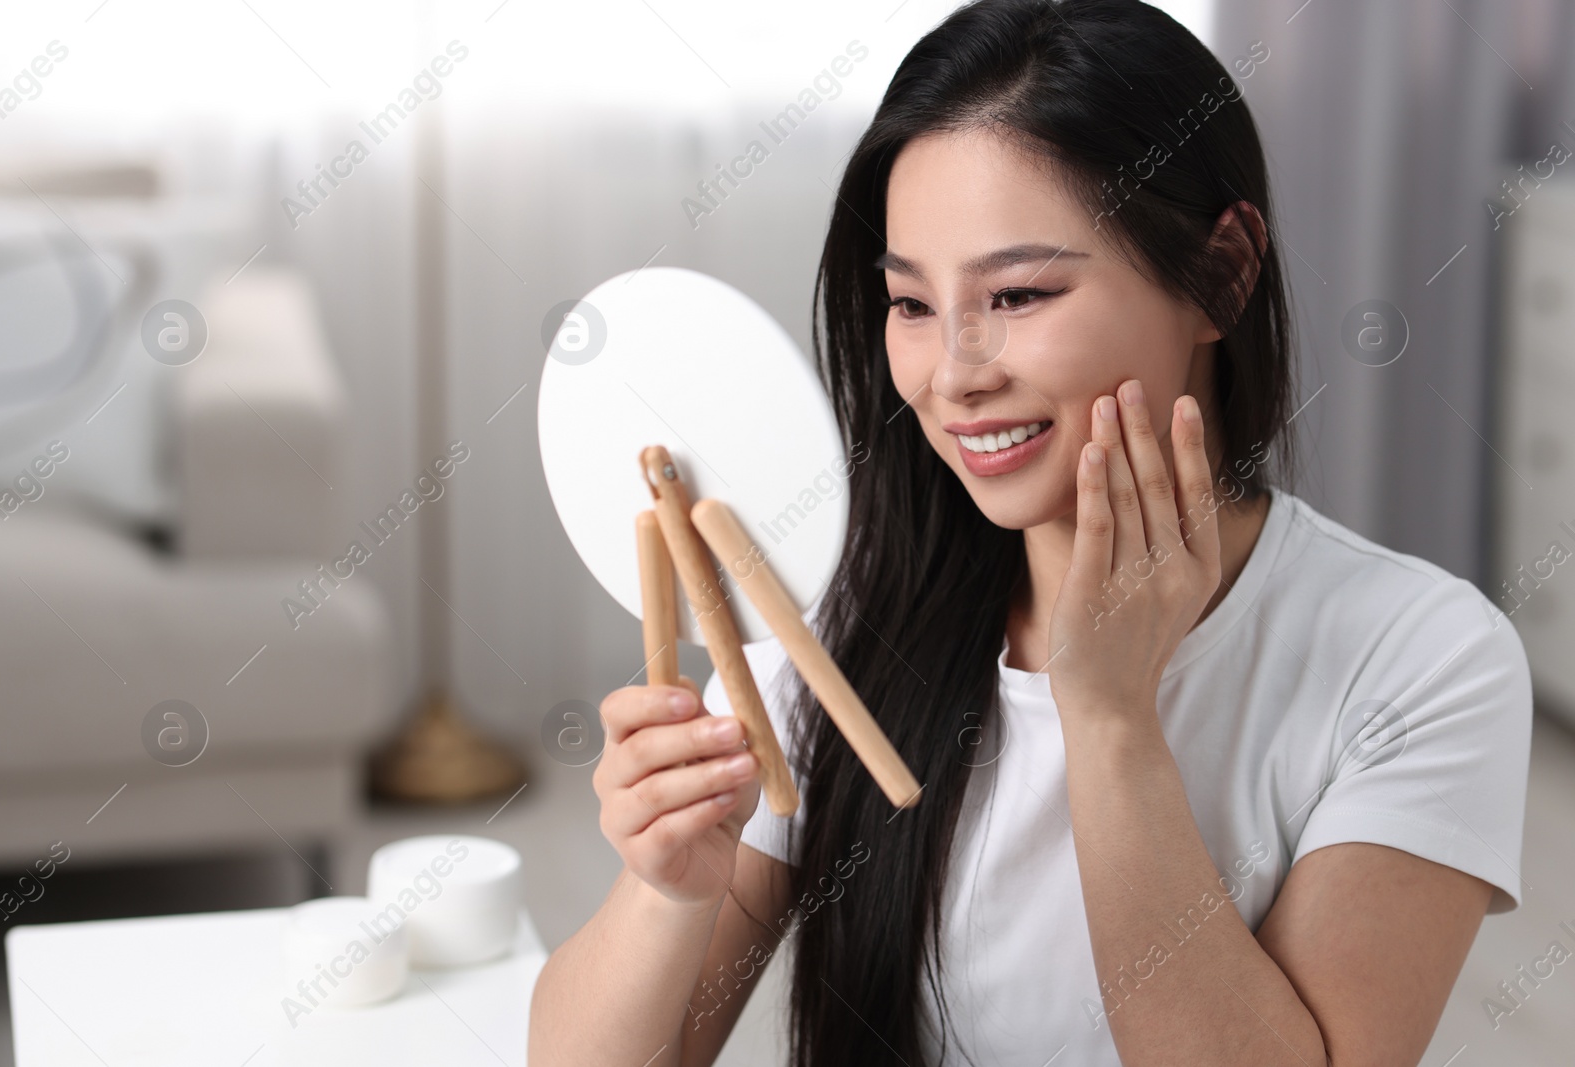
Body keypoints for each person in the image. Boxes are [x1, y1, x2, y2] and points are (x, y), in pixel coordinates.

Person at [528, 1, 1532, 1064]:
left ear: (1223, 270)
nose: (955, 376)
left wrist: (1107, 722)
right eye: (911, 304)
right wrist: (664, 891)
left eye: (1018, 292)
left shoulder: (1420, 658)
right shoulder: (821, 627)